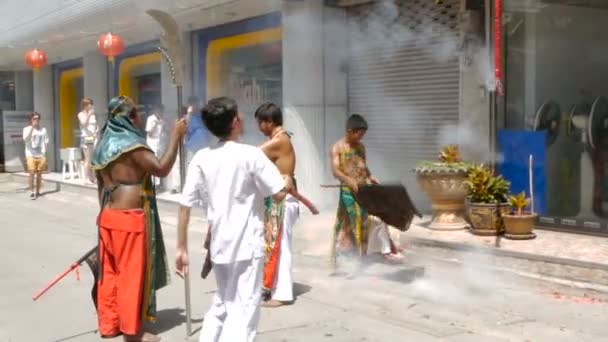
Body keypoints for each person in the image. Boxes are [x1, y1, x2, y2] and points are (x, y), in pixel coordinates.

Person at [175, 97, 293, 342]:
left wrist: (181, 247)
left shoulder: (201, 158)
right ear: (235, 122)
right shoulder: (250, 155)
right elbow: (279, 194)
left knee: (224, 300)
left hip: (220, 247)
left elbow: (185, 205)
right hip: (247, 248)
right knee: (244, 310)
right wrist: (287, 181)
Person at [92, 95, 187, 342]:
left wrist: (103, 218)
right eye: (136, 112)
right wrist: (176, 135)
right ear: (127, 117)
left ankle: (111, 324)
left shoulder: (102, 146)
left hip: (107, 216)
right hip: (129, 220)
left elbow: (100, 188)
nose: (140, 116)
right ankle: (133, 333)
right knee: (130, 276)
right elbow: (162, 168)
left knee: (110, 273)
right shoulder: (133, 145)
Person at [329, 114, 402, 271]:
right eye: (359, 134)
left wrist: (370, 176)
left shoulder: (361, 147)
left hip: (364, 189)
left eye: (363, 134)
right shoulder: (338, 148)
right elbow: (335, 171)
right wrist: (349, 180)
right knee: (354, 222)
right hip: (348, 191)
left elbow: (363, 165)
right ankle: (351, 258)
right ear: (350, 131)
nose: (361, 137)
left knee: (374, 217)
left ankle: (365, 254)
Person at [254, 102, 300, 308]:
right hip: (277, 199)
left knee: (281, 247)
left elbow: (251, 156)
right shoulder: (279, 138)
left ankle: (282, 294)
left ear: (269, 122)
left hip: (283, 200)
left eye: (260, 123)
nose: (258, 127)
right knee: (273, 246)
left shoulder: (279, 140)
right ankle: (272, 287)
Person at [22, 112, 49, 200]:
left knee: (39, 174)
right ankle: (32, 191)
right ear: (31, 120)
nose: (36, 120)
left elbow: (46, 141)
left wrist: (45, 153)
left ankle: (38, 191)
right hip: (30, 154)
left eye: (37, 119)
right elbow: (26, 139)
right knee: (32, 173)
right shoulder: (26, 129)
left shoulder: (43, 129)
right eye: (34, 119)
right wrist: (32, 128)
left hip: (41, 155)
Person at [78, 97, 99, 184]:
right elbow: (83, 124)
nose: (91, 106)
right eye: (89, 104)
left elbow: (96, 125)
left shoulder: (94, 115)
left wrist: (97, 131)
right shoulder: (80, 114)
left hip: (94, 137)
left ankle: (93, 177)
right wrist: (89, 115)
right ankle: (85, 178)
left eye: (91, 104)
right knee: (88, 158)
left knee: (93, 158)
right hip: (86, 137)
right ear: (85, 105)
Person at [145, 104, 165, 188]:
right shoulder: (151, 119)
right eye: (159, 110)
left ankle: (160, 183)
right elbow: (149, 132)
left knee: (161, 162)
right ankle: (155, 184)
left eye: (162, 111)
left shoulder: (162, 119)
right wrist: (155, 124)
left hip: (160, 143)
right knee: (154, 163)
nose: (161, 112)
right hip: (152, 143)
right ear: (155, 110)